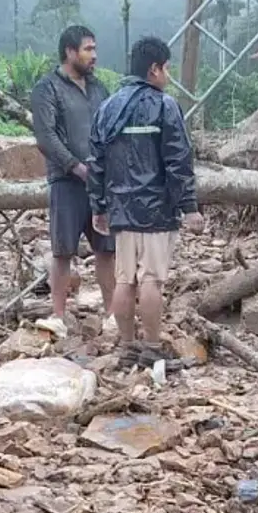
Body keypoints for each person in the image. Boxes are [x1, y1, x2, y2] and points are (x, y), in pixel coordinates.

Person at [88, 36, 204, 348]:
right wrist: (189, 206)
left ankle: (127, 345)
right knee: (152, 280)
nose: (168, 75)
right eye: (167, 68)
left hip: (121, 210)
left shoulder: (107, 108)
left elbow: (96, 162)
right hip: (157, 209)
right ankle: (152, 346)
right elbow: (178, 160)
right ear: (154, 69)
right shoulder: (165, 106)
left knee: (125, 280)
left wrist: (99, 205)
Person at [30, 25, 115, 339]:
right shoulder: (47, 88)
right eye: (88, 49)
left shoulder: (98, 89)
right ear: (69, 51)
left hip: (100, 183)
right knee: (63, 250)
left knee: (107, 248)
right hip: (66, 183)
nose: (94, 55)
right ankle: (58, 315)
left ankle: (111, 314)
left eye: (94, 49)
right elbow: (46, 137)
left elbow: (111, 127)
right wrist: (77, 168)